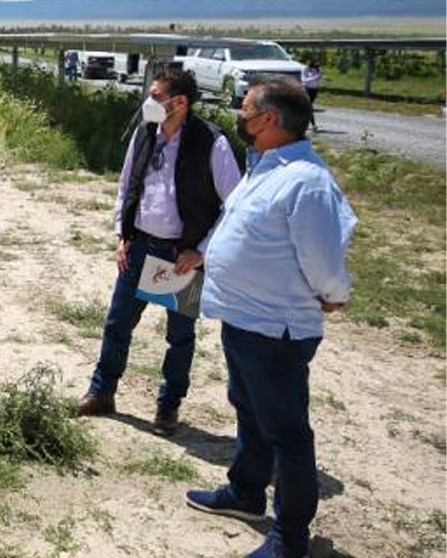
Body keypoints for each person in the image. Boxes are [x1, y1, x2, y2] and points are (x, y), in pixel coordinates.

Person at [185, 77, 356, 558]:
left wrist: (333, 294)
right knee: (250, 412)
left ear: (270, 119)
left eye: (245, 108)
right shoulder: (265, 166)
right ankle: (245, 492)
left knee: (286, 431)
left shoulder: (307, 181)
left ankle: (290, 538)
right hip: (244, 320)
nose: (239, 115)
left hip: (277, 329)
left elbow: (323, 260)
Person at [76, 67, 242, 435]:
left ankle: (168, 407)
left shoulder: (211, 143)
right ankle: (102, 392)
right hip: (138, 248)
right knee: (117, 325)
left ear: (179, 102)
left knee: (178, 338)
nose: (148, 102)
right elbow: (126, 186)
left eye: (156, 96)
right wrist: (122, 234)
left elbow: (235, 206)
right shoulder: (145, 132)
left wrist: (201, 251)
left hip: (178, 257)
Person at [301, 60, 322, 132]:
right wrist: (315, 77)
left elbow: (318, 80)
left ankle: (303, 122)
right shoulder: (305, 69)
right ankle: (314, 125)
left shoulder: (318, 69)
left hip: (315, 90)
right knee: (309, 107)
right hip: (307, 89)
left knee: (307, 108)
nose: (318, 65)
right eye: (316, 63)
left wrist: (322, 79)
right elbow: (304, 80)